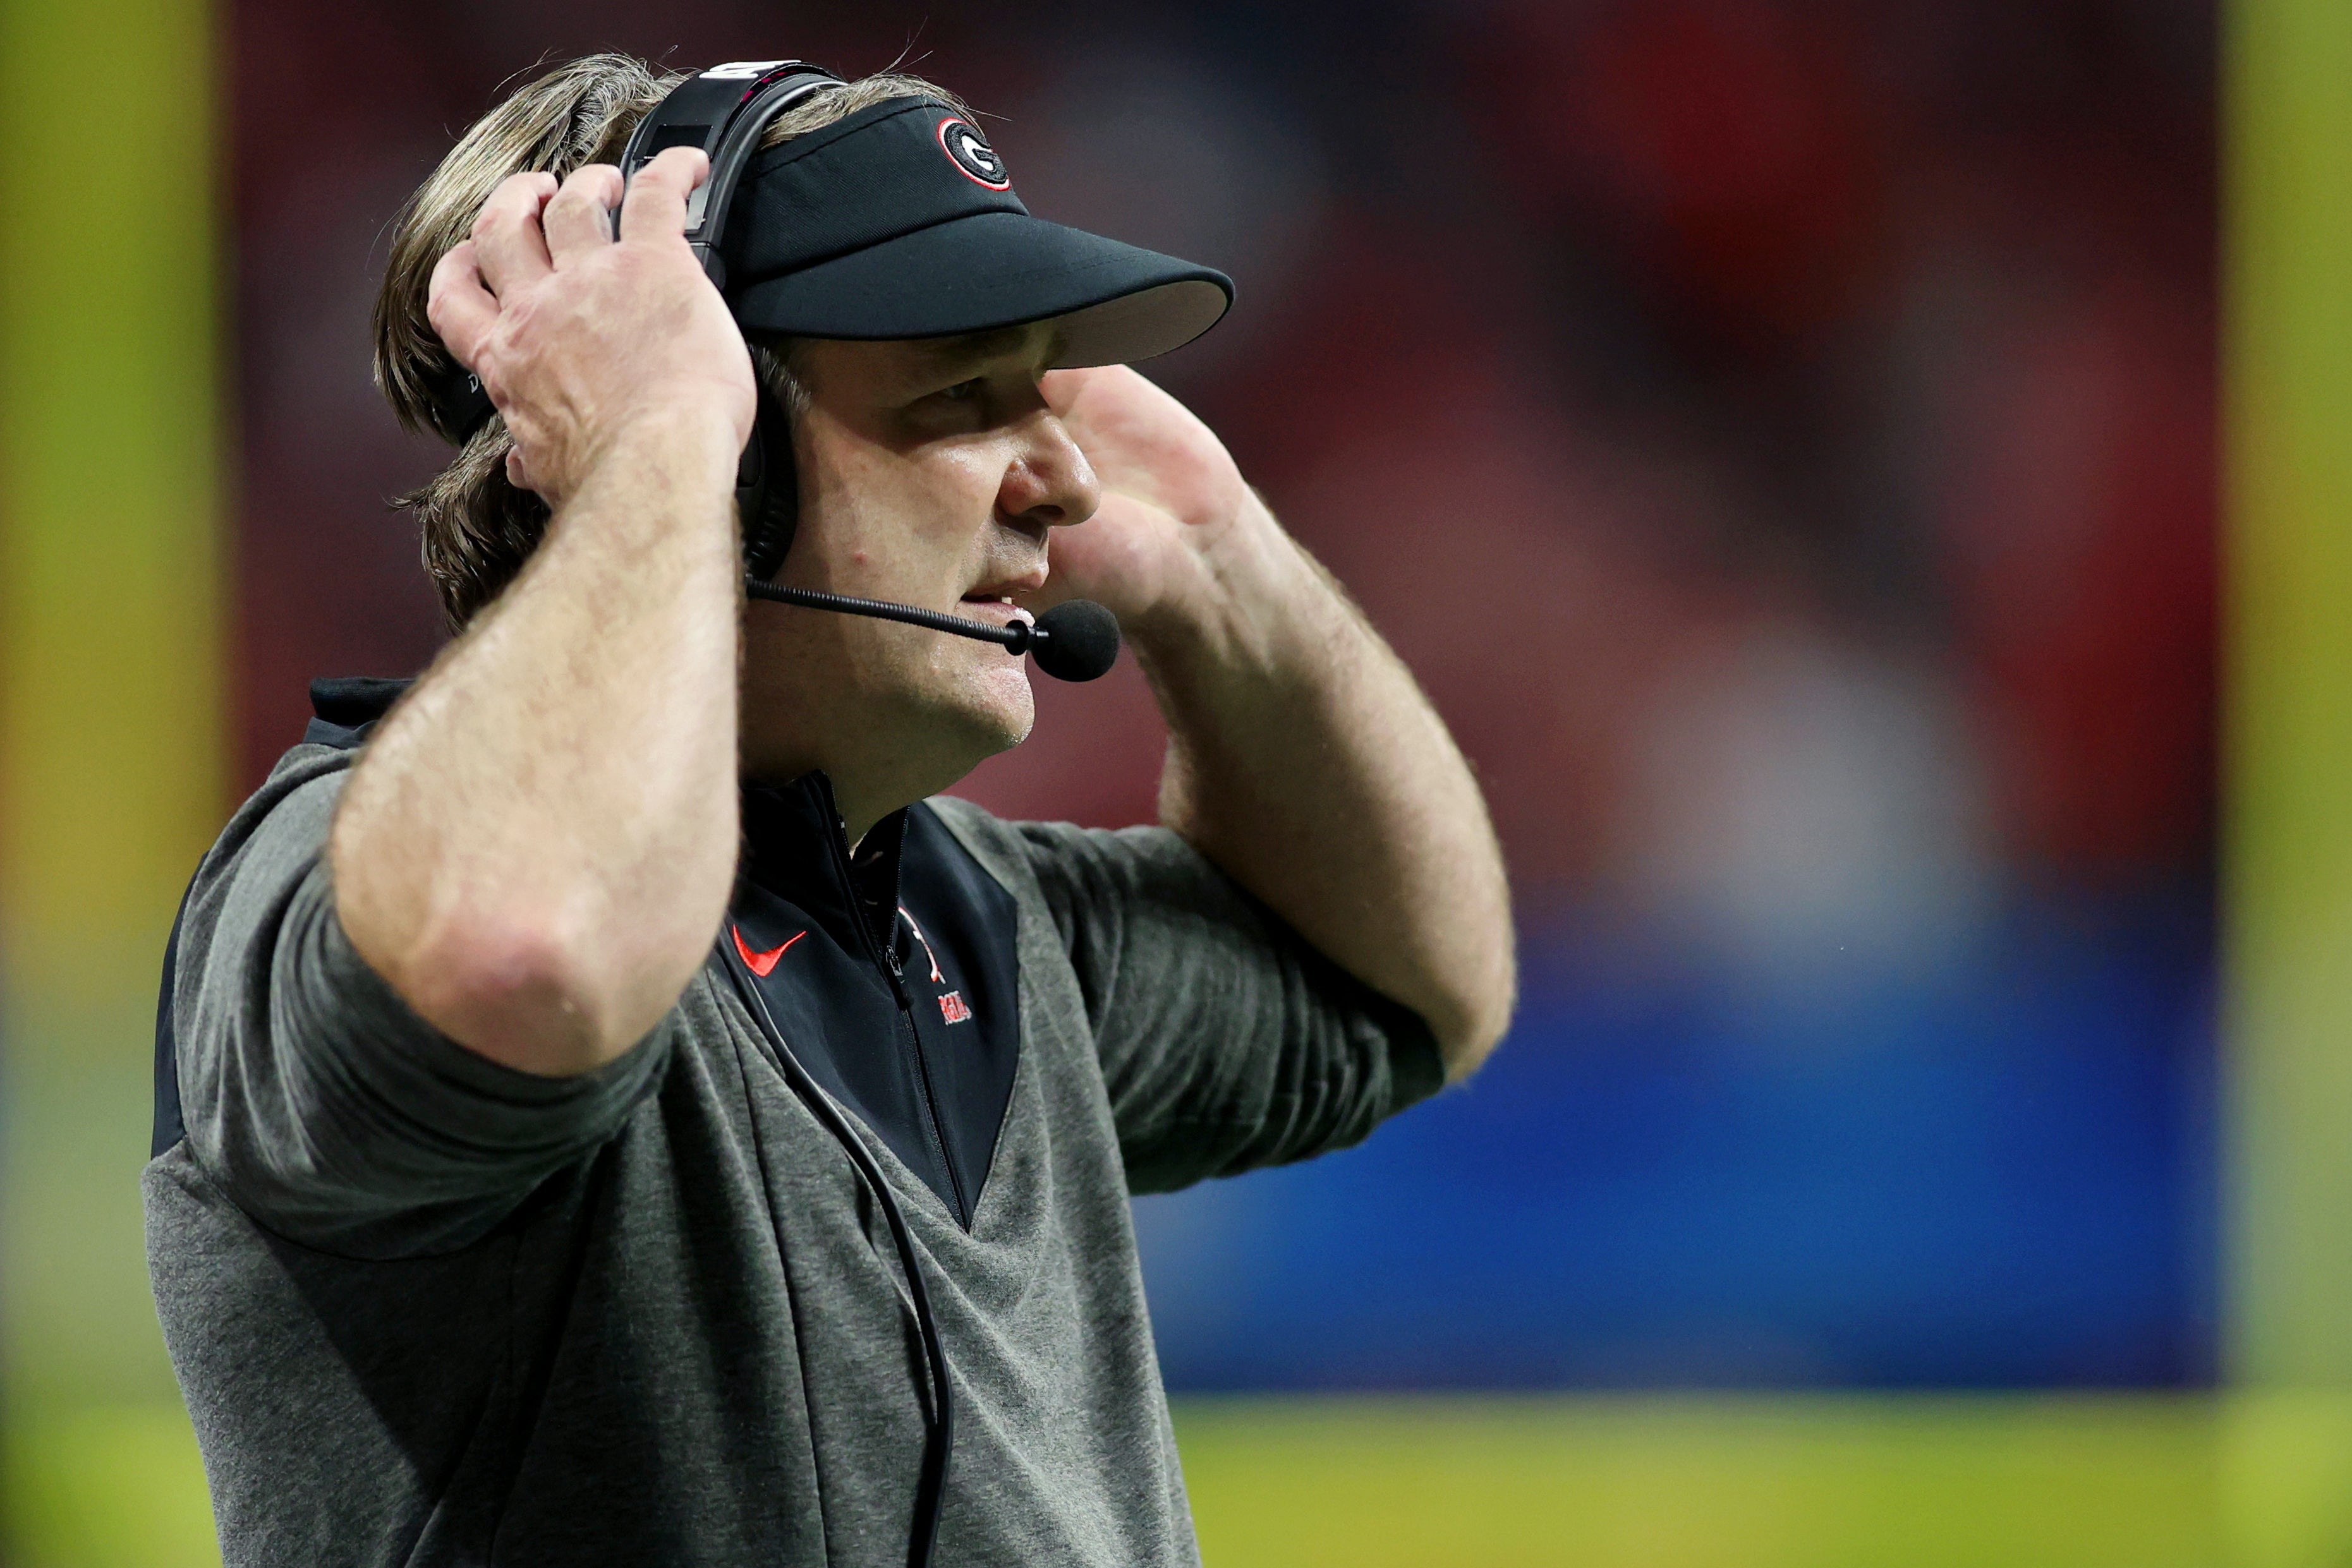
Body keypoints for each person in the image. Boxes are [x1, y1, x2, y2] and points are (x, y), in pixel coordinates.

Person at [144, 54, 1514, 1567]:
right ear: (733, 468)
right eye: (960, 397)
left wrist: (1210, 549)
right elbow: (517, 951)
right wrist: (647, 440)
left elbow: (1414, 984)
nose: (1058, 477)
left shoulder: (985, 923)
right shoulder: (333, 867)